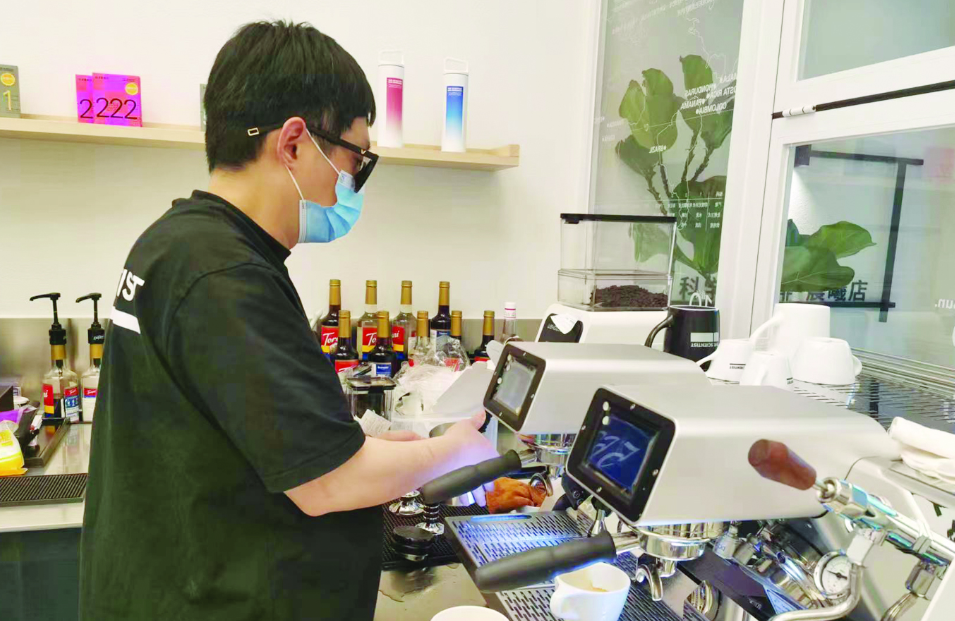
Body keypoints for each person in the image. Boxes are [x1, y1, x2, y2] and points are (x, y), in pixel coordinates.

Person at [79, 21, 498, 621]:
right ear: (295, 143)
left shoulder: (175, 243)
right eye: (356, 159)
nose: (352, 183)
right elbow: (330, 483)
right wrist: (455, 452)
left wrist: (362, 446)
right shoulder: (223, 272)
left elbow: (244, 435)